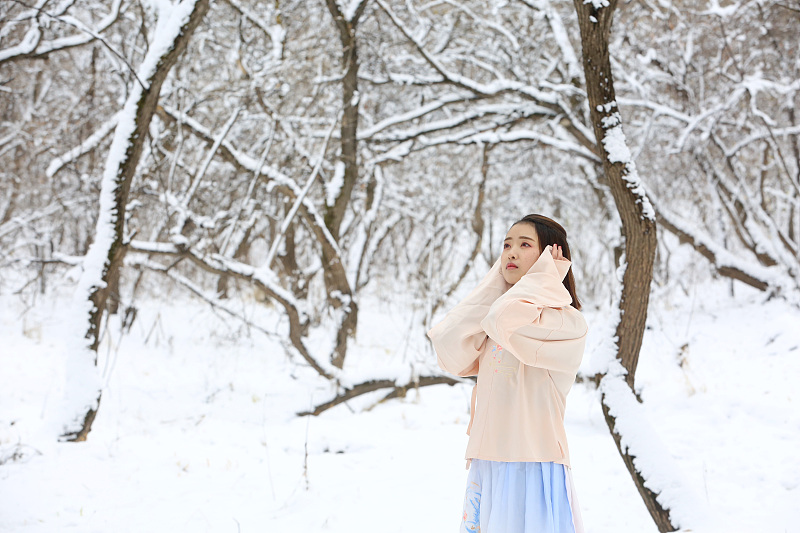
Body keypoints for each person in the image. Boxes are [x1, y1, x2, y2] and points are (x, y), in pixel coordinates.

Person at [428, 214, 587, 533]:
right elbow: (447, 343)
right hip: (489, 463)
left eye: (524, 244)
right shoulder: (494, 318)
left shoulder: (566, 323)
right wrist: (498, 283)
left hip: (532, 464)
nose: (511, 252)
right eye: (506, 245)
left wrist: (544, 281)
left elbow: (504, 320)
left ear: (550, 257)